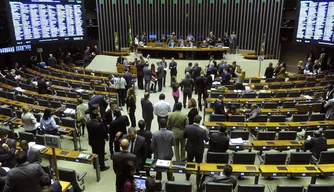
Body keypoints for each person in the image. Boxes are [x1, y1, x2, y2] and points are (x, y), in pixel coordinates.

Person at [184, 115, 209, 180]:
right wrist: (206, 131)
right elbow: (206, 140)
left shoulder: (187, 127)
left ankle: (187, 176)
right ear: (200, 121)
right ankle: (198, 178)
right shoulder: (202, 130)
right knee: (199, 164)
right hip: (199, 149)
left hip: (190, 148)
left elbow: (184, 136)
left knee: (189, 162)